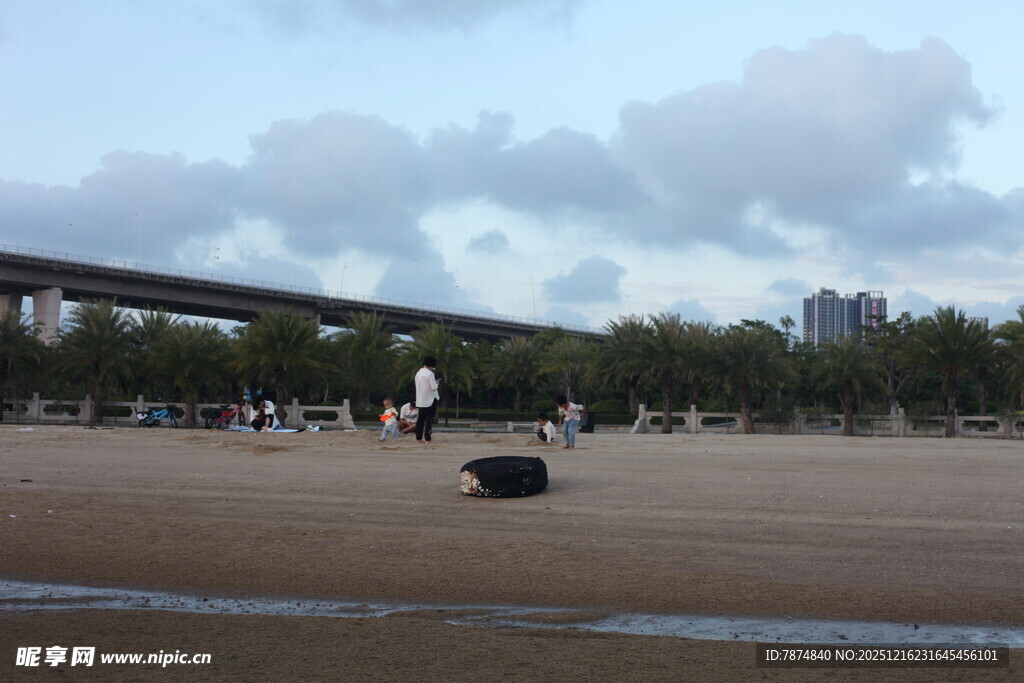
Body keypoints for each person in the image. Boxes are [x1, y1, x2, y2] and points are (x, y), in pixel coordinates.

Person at [414, 356, 440, 444]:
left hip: (420, 400)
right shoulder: (430, 374)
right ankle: (428, 439)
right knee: (429, 420)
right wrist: (437, 383)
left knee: (420, 420)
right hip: (430, 400)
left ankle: (418, 438)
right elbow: (434, 387)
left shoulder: (418, 373)